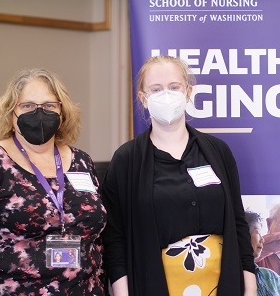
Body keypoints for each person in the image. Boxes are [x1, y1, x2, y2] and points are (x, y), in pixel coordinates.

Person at [99, 55, 257, 296]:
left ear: (188, 92)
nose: (167, 94)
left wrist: (250, 286)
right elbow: (115, 238)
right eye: (156, 89)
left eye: (174, 87)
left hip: (222, 283)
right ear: (143, 98)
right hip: (156, 284)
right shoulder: (126, 160)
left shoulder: (218, 151)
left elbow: (238, 222)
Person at [0, 68, 107, 295]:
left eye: (49, 105)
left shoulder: (82, 161)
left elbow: (97, 239)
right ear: (11, 114)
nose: (39, 113)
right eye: (28, 106)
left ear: (63, 112)